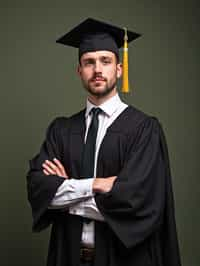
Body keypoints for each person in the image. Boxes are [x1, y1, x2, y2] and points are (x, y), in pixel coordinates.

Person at [27, 18, 182, 266]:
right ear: (79, 71)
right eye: (89, 62)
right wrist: (97, 185)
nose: (97, 69)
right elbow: (40, 190)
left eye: (105, 61)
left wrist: (69, 190)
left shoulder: (144, 129)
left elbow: (136, 203)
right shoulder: (61, 130)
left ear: (119, 69)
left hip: (125, 258)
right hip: (69, 256)